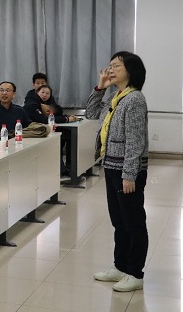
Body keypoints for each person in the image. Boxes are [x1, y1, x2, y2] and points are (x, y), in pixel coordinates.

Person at [87, 51, 148, 292]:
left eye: (116, 66)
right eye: (110, 66)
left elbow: (135, 140)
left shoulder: (135, 99)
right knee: (119, 221)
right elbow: (92, 114)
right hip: (111, 166)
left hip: (126, 170)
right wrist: (100, 88)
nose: (110, 70)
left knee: (133, 223)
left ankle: (135, 273)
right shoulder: (116, 96)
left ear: (131, 71)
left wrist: (129, 174)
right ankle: (121, 266)